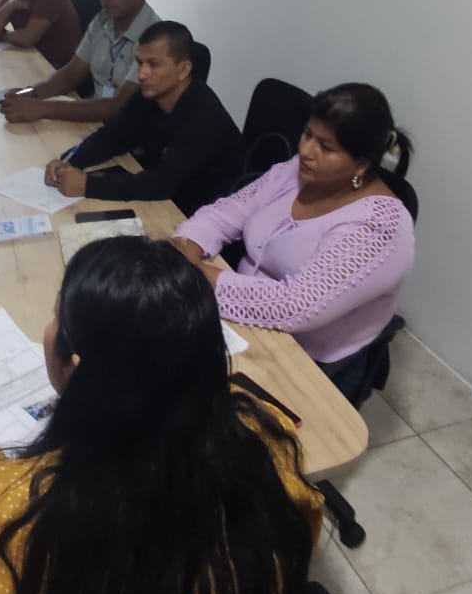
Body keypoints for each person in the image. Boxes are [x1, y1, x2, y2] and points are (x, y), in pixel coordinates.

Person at [0, 236, 322, 594]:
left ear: (79, 371)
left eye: (57, 316)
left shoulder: (2, 502)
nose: (49, 328)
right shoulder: (270, 438)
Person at [172, 83, 416, 400]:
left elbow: (293, 306)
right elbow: (227, 211)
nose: (307, 151)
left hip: (302, 358)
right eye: (308, 134)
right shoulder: (298, 171)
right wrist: (187, 246)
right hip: (237, 319)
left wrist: (198, 274)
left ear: (362, 164)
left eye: (326, 147)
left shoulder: (380, 228)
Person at [43, 21, 244, 216]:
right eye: (139, 63)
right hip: (165, 196)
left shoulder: (204, 117)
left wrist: (87, 185)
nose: (141, 74)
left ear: (183, 70)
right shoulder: (149, 94)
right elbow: (113, 135)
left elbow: (162, 184)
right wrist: (71, 161)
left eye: (153, 64)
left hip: (200, 210)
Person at [0, 0, 160, 124]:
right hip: (93, 118)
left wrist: (42, 108)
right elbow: (72, 73)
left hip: (128, 128)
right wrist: (31, 93)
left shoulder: (154, 38)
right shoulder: (102, 20)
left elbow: (119, 105)